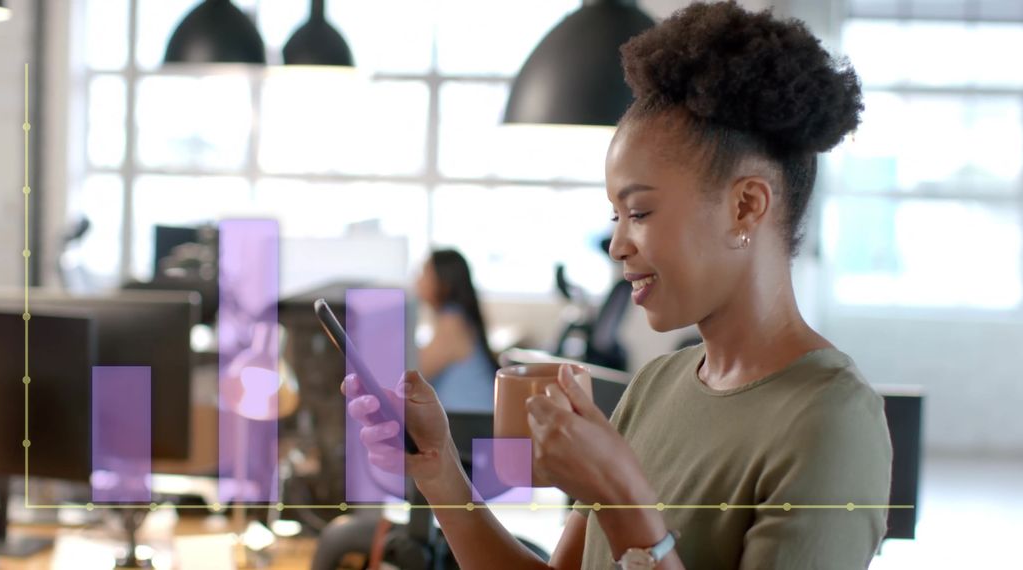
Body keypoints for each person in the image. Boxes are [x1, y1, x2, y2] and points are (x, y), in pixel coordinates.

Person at [343, 2, 891, 568]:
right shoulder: (656, 385)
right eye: (616, 216)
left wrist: (617, 493)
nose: (617, 245)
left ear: (745, 206)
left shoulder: (831, 419)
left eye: (641, 213)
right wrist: (439, 469)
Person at [414, 249, 499, 413]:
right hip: (473, 420)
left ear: (443, 282)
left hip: (471, 423)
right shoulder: (457, 315)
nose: (417, 280)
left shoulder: (451, 324)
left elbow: (409, 376)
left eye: (424, 273)